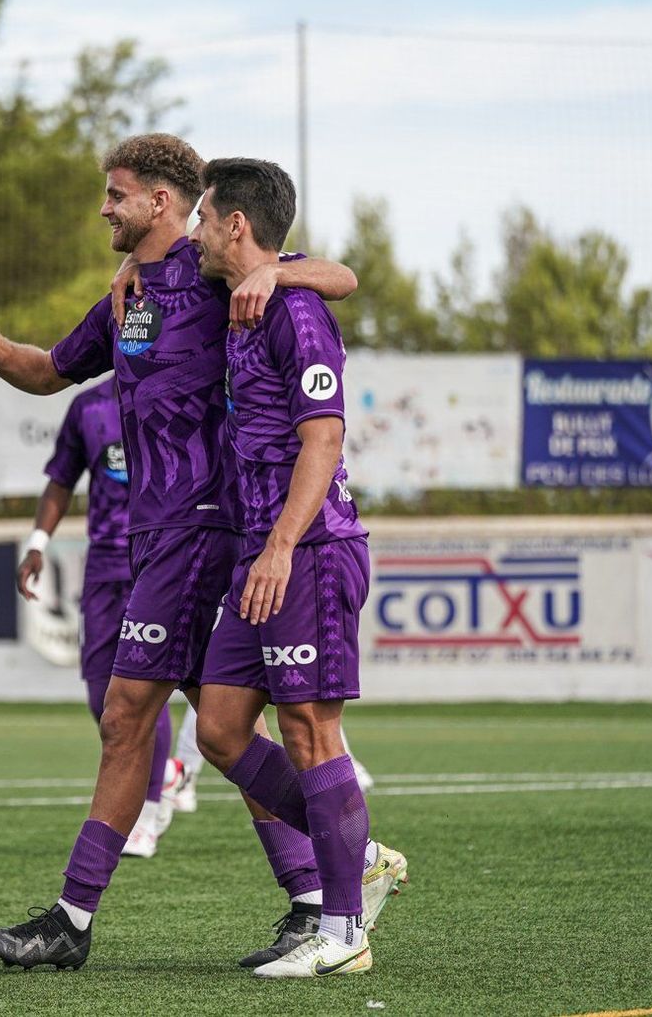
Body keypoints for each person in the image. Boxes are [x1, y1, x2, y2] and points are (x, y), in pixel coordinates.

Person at [0, 133, 361, 971]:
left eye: (116, 193)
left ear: (163, 204)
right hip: (156, 532)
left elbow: (339, 277)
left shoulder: (218, 271)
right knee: (217, 728)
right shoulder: (128, 294)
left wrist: (274, 270)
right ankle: (326, 884)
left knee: (126, 712)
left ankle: (71, 918)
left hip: (203, 526)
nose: (103, 207)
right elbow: (51, 370)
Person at [189, 157, 406, 980]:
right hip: (261, 556)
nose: (199, 233)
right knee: (218, 728)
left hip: (307, 551)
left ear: (235, 224)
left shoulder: (296, 309)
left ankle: (343, 927)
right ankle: (362, 856)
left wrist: (280, 545)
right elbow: (339, 268)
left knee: (310, 733)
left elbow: (324, 439)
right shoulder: (242, 297)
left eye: (206, 218)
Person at [19, 378, 177, 858]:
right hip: (106, 566)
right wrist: (37, 544)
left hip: (165, 558)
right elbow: (61, 480)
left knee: (147, 688)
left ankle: (147, 812)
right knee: (101, 695)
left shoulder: (181, 389)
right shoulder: (88, 407)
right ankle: (162, 771)